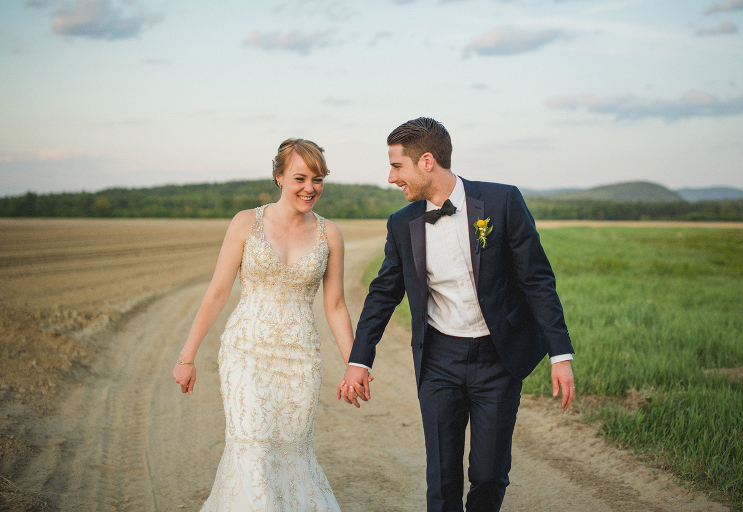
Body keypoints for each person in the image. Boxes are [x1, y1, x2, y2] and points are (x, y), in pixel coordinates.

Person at [338, 118, 575, 512]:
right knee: (442, 478)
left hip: (498, 360)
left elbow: (537, 280)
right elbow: (383, 294)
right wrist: (358, 360)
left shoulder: (502, 202)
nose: (391, 177)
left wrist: (560, 354)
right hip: (439, 362)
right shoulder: (402, 224)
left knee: (488, 474)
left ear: (427, 161)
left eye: (397, 166)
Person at [173, 138, 364, 511]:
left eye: (318, 179)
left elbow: (336, 305)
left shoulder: (331, 234)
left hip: (300, 360)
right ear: (279, 177)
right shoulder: (246, 223)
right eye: (300, 178)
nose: (310, 188)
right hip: (246, 353)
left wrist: (353, 364)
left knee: (293, 453)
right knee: (253, 449)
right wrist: (187, 357)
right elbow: (217, 292)